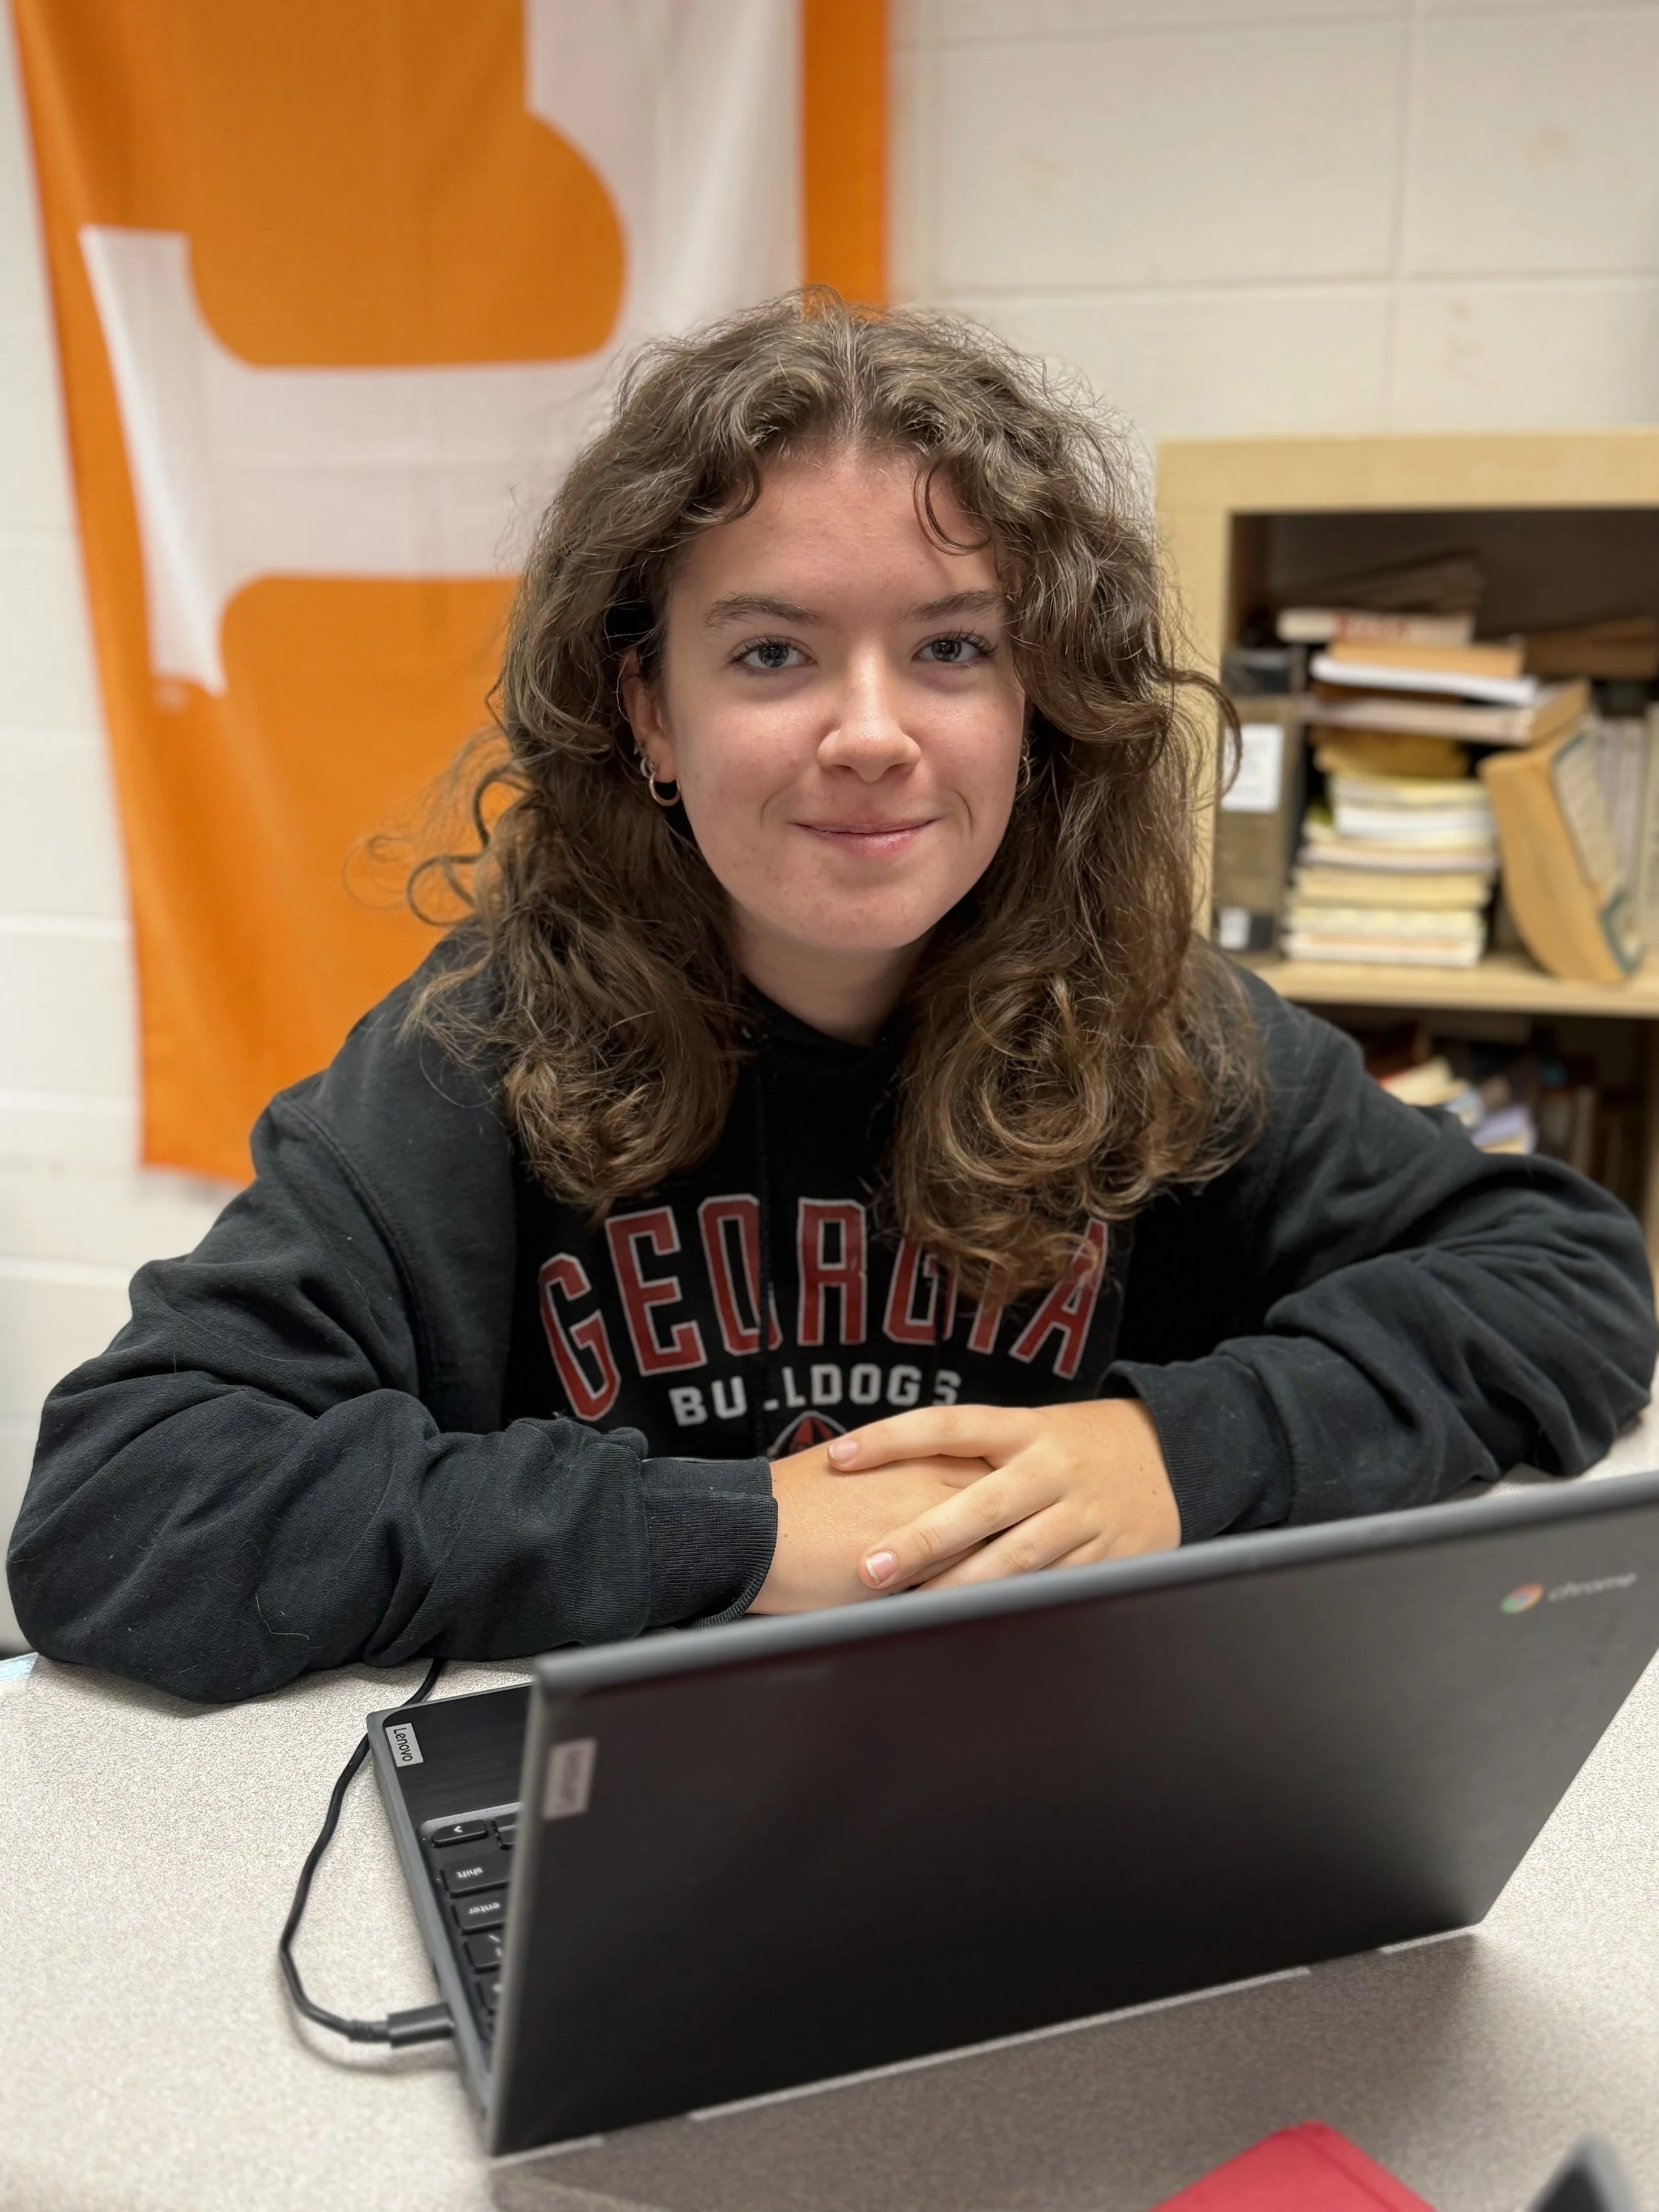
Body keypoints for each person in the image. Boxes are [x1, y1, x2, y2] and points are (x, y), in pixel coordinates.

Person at [8, 297, 1654, 1704]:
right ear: (646, 709)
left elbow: (1566, 1282)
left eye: (949, 650)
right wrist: (741, 1534)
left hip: (1082, 1764)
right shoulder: (480, 1055)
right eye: (773, 655)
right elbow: (124, 1507)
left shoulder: (1159, 1025)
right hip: (646, 1795)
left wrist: (1174, 1454)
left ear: (1039, 704)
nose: (870, 733)